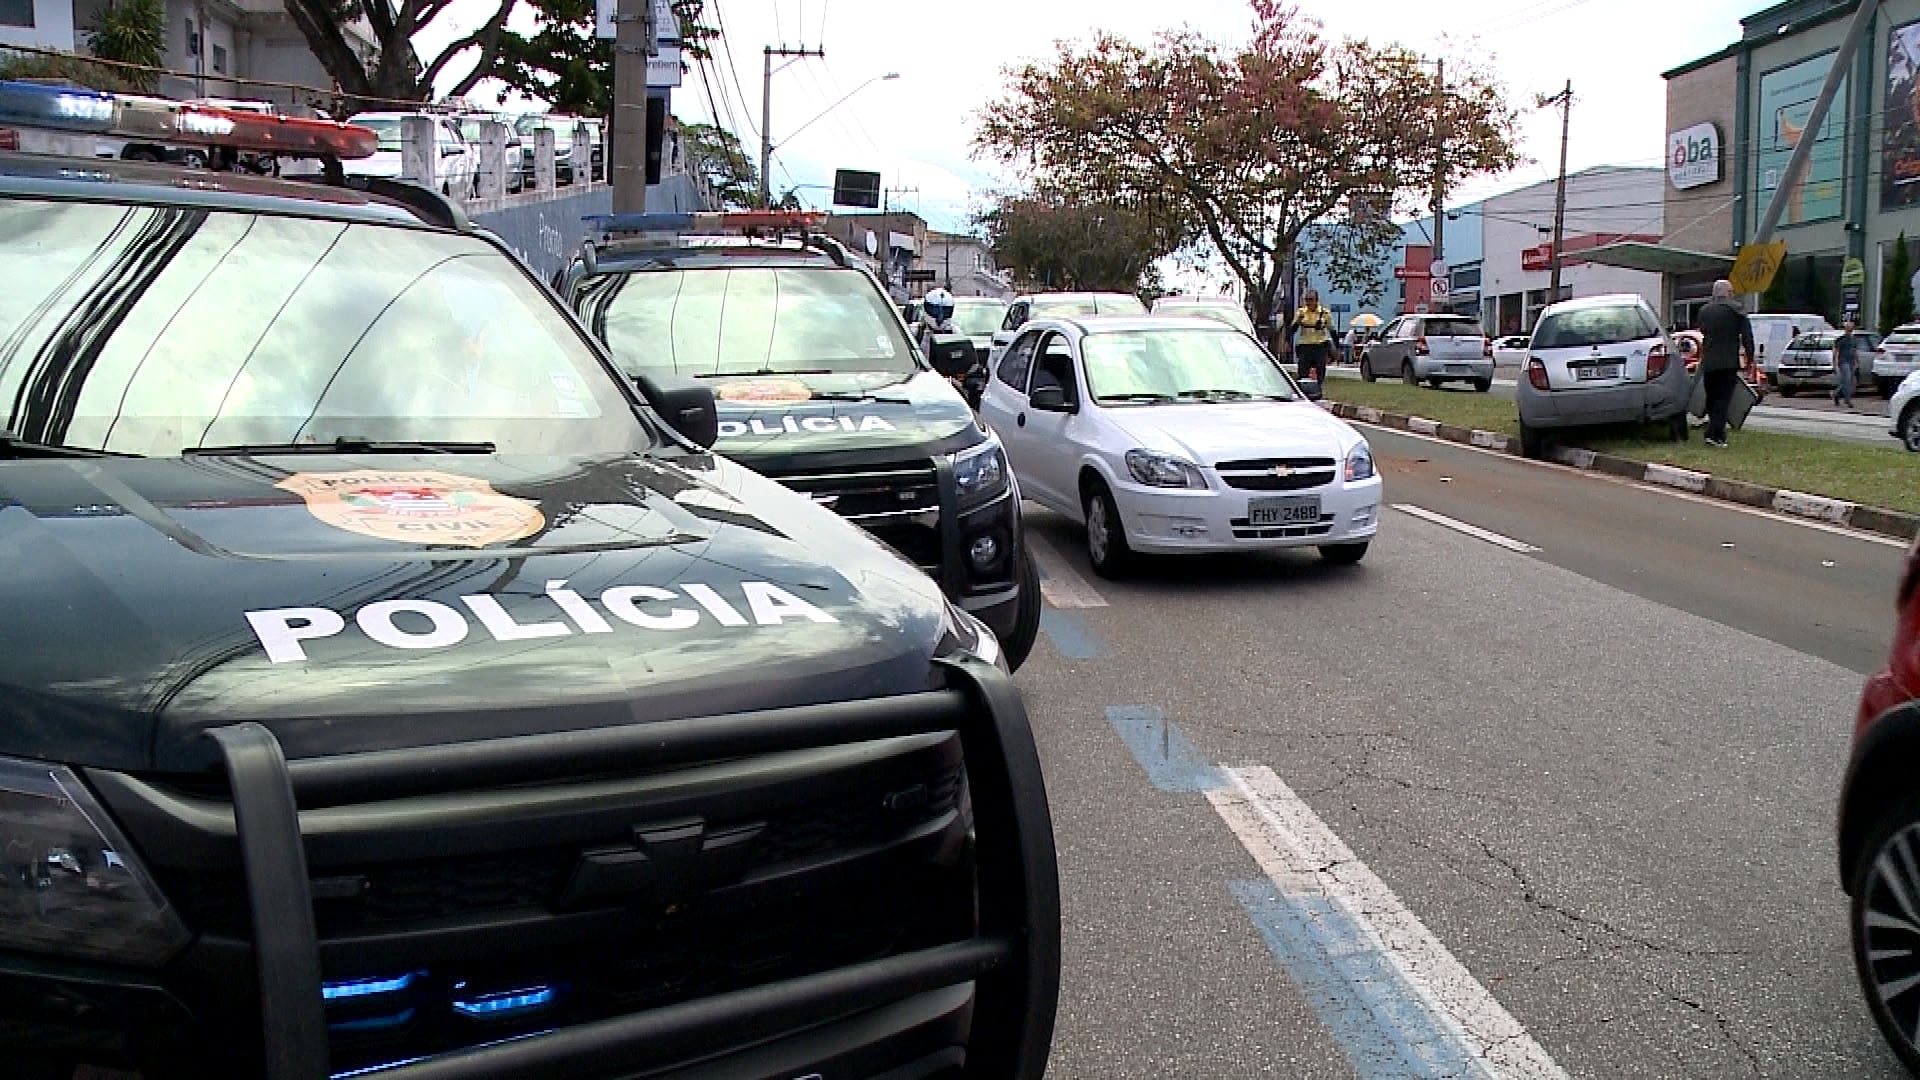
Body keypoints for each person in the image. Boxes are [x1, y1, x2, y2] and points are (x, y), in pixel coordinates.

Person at [1696, 279, 1756, 448]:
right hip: (1728, 362)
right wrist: (1750, 358)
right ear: (1729, 293)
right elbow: (1747, 337)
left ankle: (1711, 432)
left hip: (1709, 362)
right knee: (1723, 399)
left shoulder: (1704, 311)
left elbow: (1702, 330)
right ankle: (1717, 434)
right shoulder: (1736, 310)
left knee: (1712, 398)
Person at [1291, 289, 1334, 383]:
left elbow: (1332, 330)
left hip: (1320, 346)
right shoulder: (1301, 313)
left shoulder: (1324, 313)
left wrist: (1337, 346)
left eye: (1311, 300)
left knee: (1320, 370)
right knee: (1302, 372)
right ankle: (1303, 390)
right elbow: (1293, 329)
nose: (1308, 302)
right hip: (1305, 345)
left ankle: (1318, 388)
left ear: (1316, 300)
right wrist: (1287, 341)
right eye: (1306, 300)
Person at [1833, 317, 1860, 410]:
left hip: (1851, 361)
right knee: (1847, 379)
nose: (1851, 328)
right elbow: (1836, 352)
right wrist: (1835, 363)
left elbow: (1855, 351)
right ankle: (1847, 400)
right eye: (1849, 327)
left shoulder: (1853, 339)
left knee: (1848, 381)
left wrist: (1857, 361)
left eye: (1852, 327)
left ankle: (1836, 394)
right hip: (1843, 361)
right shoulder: (1841, 339)